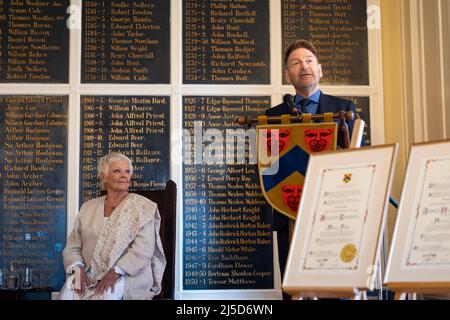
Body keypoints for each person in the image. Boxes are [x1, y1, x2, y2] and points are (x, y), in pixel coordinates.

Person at [265, 39, 362, 282]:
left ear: (319, 70)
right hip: (288, 210)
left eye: (309, 61)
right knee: (294, 284)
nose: (304, 66)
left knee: (334, 283)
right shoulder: (273, 116)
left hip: (333, 208)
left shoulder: (344, 109)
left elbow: (356, 158)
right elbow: (269, 166)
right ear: (288, 75)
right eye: (295, 63)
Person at [59, 153, 166, 300]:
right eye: (117, 171)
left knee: (105, 295)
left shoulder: (143, 207)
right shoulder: (88, 207)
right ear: (104, 177)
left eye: (127, 171)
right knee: (67, 294)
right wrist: (78, 268)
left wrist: (115, 272)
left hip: (128, 275)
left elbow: (144, 250)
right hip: (89, 274)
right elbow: (73, 246)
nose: (124, 175)